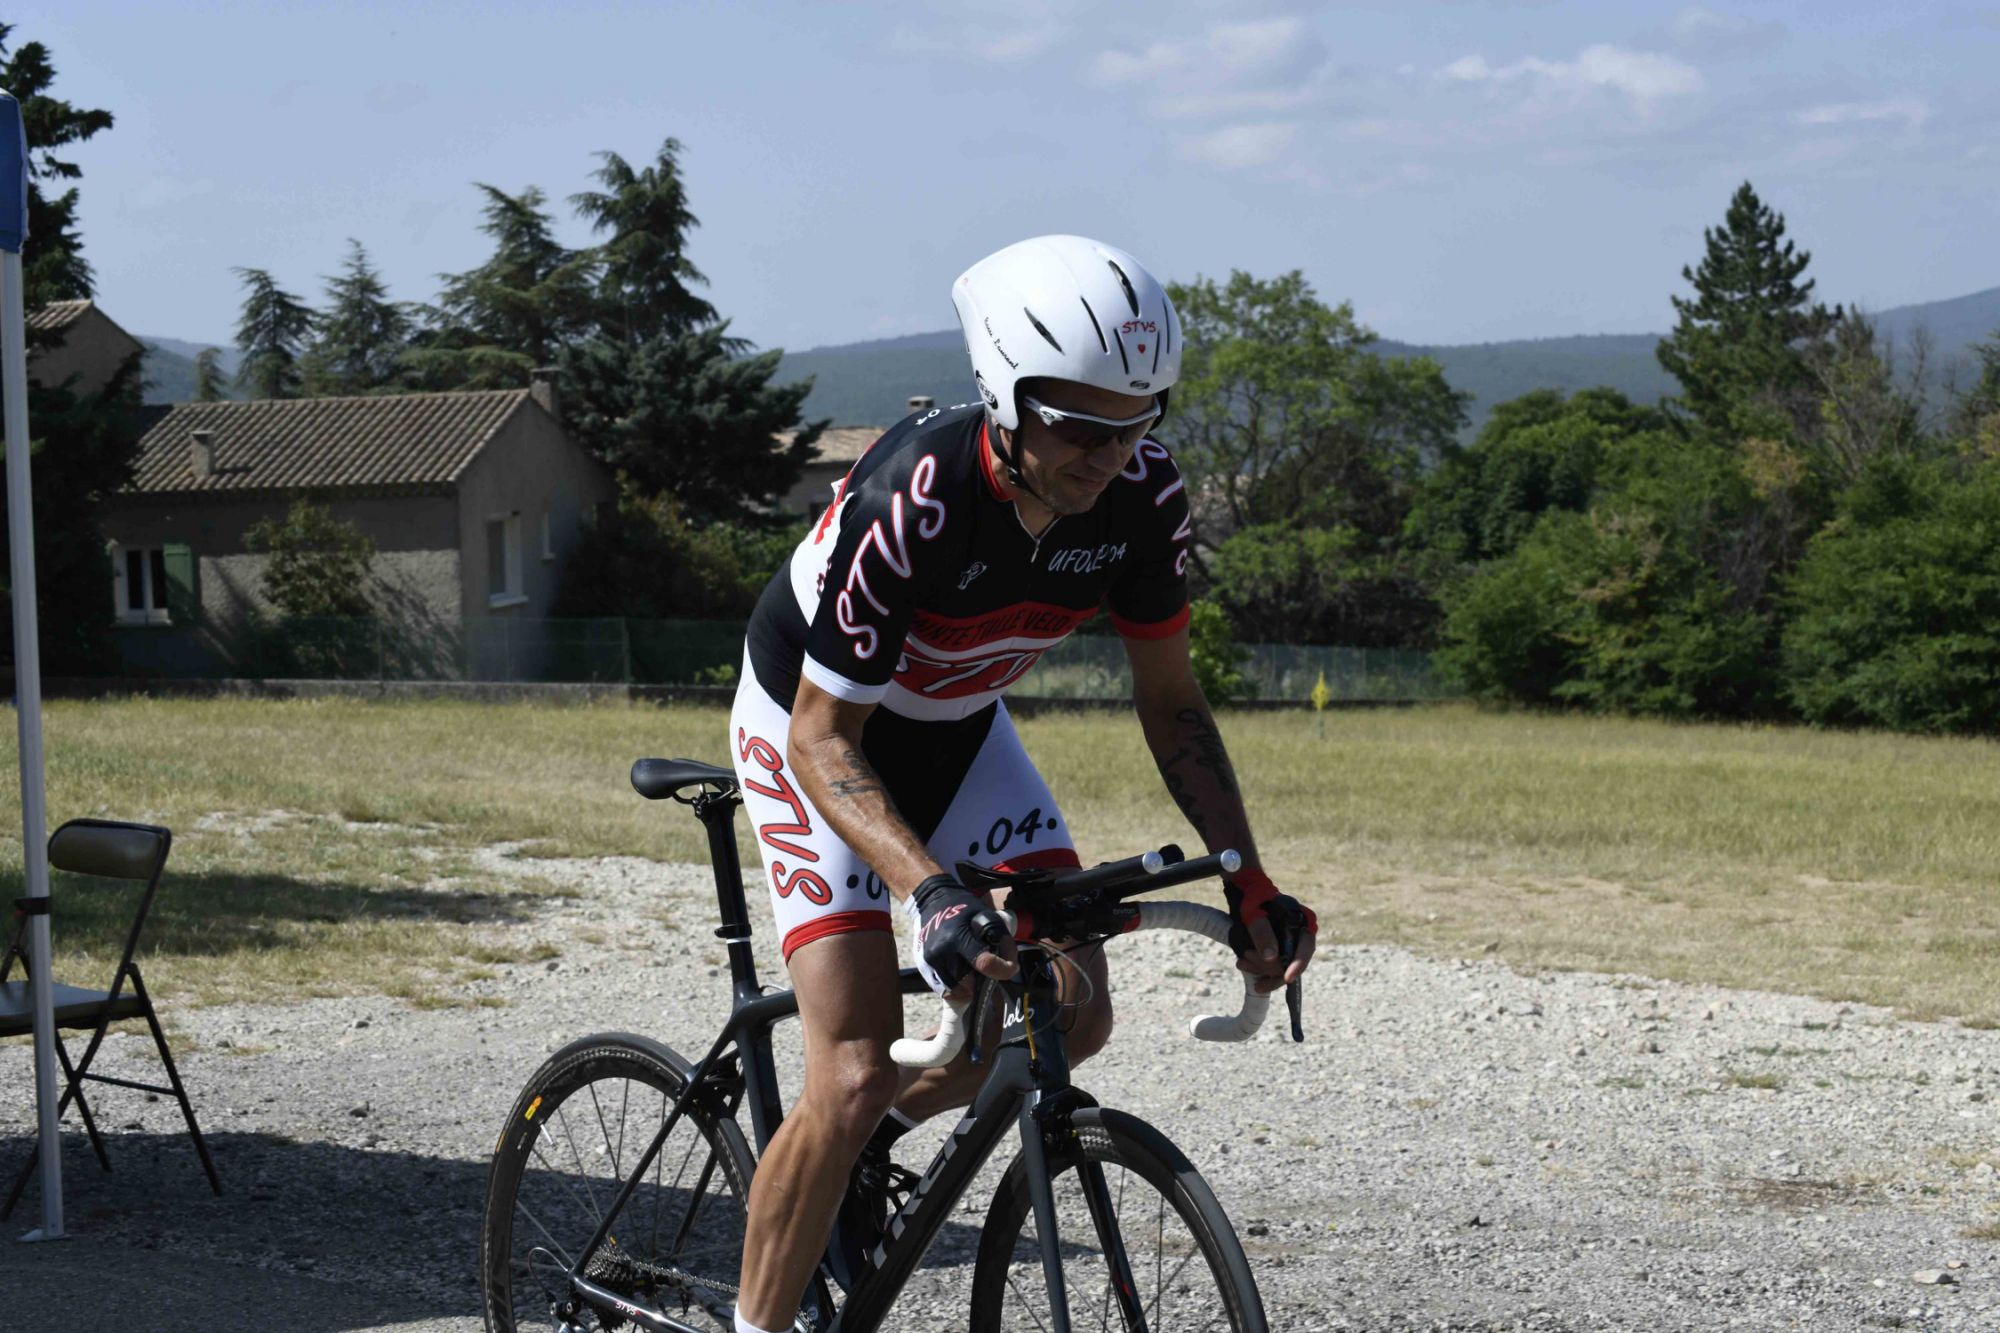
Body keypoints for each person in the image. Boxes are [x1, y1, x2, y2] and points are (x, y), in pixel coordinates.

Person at [726, 234, 1316, 1332]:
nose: (1110, 454)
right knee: (849, 1070)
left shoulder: (1142, 495)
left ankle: (858, 1148)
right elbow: (822, 738)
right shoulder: (916, 496)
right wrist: (929, 892)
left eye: (1136, 421)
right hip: (813, 730)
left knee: (1073, 1011)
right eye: (1080, 425)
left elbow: (1173, 704)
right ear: (1003, 395)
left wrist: (1248, 880)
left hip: (958, 727)